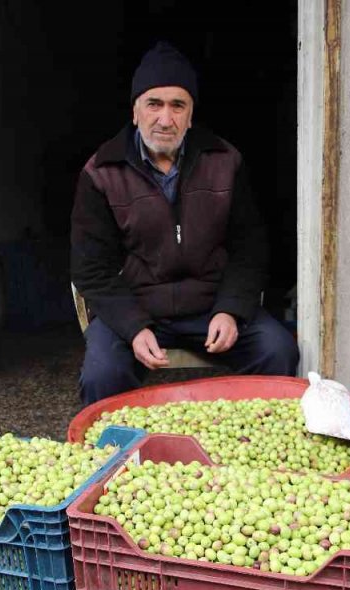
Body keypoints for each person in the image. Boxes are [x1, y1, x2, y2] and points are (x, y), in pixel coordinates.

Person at [71, 41, 299, 405]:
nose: (166, 119)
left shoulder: (224, 161)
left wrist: (230, 309)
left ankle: (259, 434)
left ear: (191, 115)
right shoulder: (101, 172)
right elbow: (91, 269)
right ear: (135, 112)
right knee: (103, 374)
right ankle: (111, 442)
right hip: (137, 308)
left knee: (277, 350)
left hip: (211, 306)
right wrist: (133, 327)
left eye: (178, 105)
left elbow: (250, 248)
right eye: (154, 104)